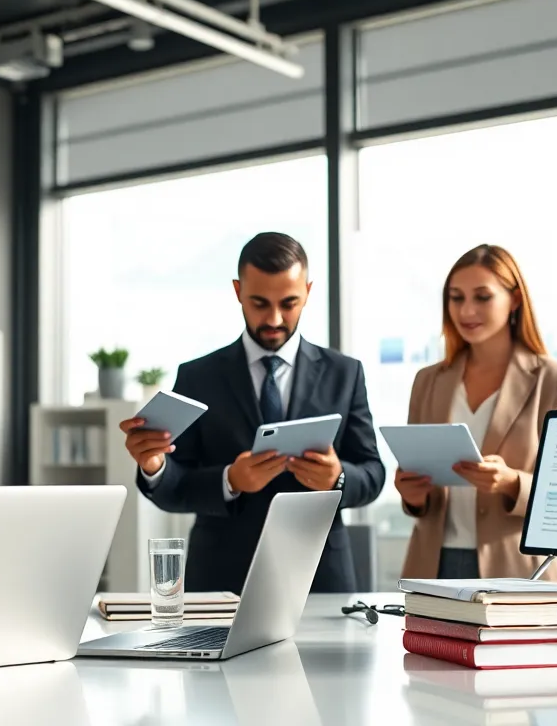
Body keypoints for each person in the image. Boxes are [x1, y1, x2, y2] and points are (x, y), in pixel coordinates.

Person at [119, 233, 386, 595]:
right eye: (260, 302)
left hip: (319, 577)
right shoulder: (198, 376)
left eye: (289, 303)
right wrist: (211, 476)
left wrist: (337, 477)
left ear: (307, 291)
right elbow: (174, 487)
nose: (274, 318)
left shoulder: (345, 373)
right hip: (220, 580)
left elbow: (372, 472)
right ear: (238, 291)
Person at [396, 245, 557, 582]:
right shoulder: (427, 381)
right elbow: (421, 494)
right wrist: (413, 497)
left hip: (523, 569)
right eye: (456, 298)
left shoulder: (554, 380)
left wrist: (512, 483)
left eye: (482, 297)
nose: (467, 310)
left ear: (513, 300)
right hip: (435, 567)